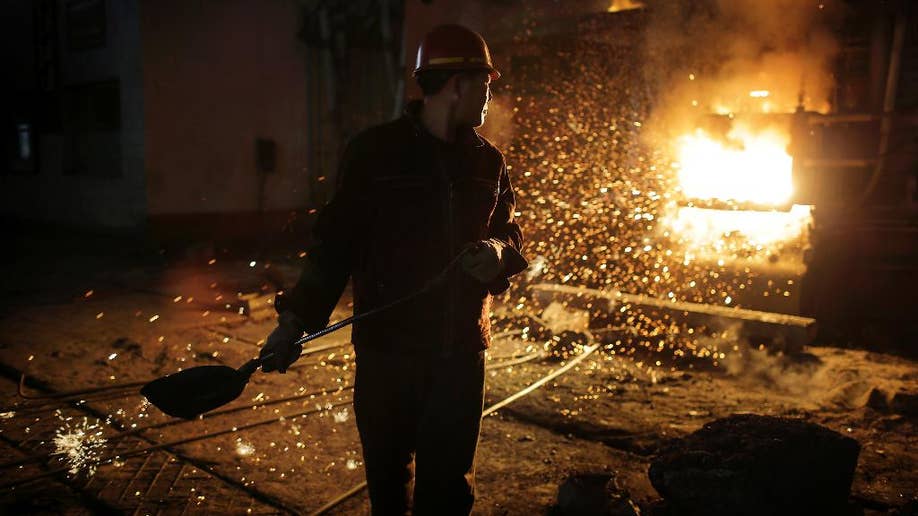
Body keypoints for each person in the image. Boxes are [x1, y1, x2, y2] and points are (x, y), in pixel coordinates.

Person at [260, 24, 527, 515]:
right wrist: (293, 323)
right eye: (485, 86)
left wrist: (496, 252)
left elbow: (511, 236)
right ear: (457, 85)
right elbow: (335, 246)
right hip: (388, 358)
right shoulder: (375, 154)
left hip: (459, 358)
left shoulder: (488, 162)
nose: (489, 99)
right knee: (389, 490)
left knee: (446, 495)